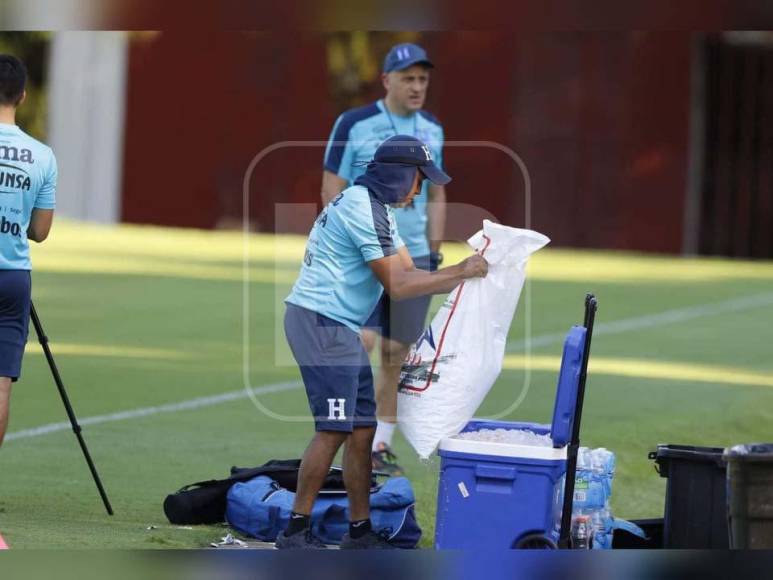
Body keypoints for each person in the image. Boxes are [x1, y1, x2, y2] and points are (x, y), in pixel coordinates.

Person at [279, 135, 487, 549]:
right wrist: (462, 271)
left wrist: (474, 261)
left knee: (362, 431)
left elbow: (411, 269)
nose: (419, 190)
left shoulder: (379, 209)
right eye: (418, 180)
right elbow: (398, 284)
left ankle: (360, 532)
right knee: (334, 430)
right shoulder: (361, 208)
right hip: (322, 324)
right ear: (398, 175)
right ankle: (295, 532)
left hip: (336, 325)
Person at [321, 43, 446, 475]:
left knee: (397, 353)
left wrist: (434, 249)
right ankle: (342, 431)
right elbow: (331, 186)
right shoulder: (354, 122)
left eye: (423, 79)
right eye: (408, 78)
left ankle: (378, 446)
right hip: (367, 255)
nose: (416, 87)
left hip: (414, 258)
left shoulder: (432, 127)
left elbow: (437, 192)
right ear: (387, 80)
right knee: (364, 343)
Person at [0, 54, 57, 448]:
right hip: (12, 278)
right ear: (22, 95)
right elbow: (40, 230)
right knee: (1, 383)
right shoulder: (42, 155)